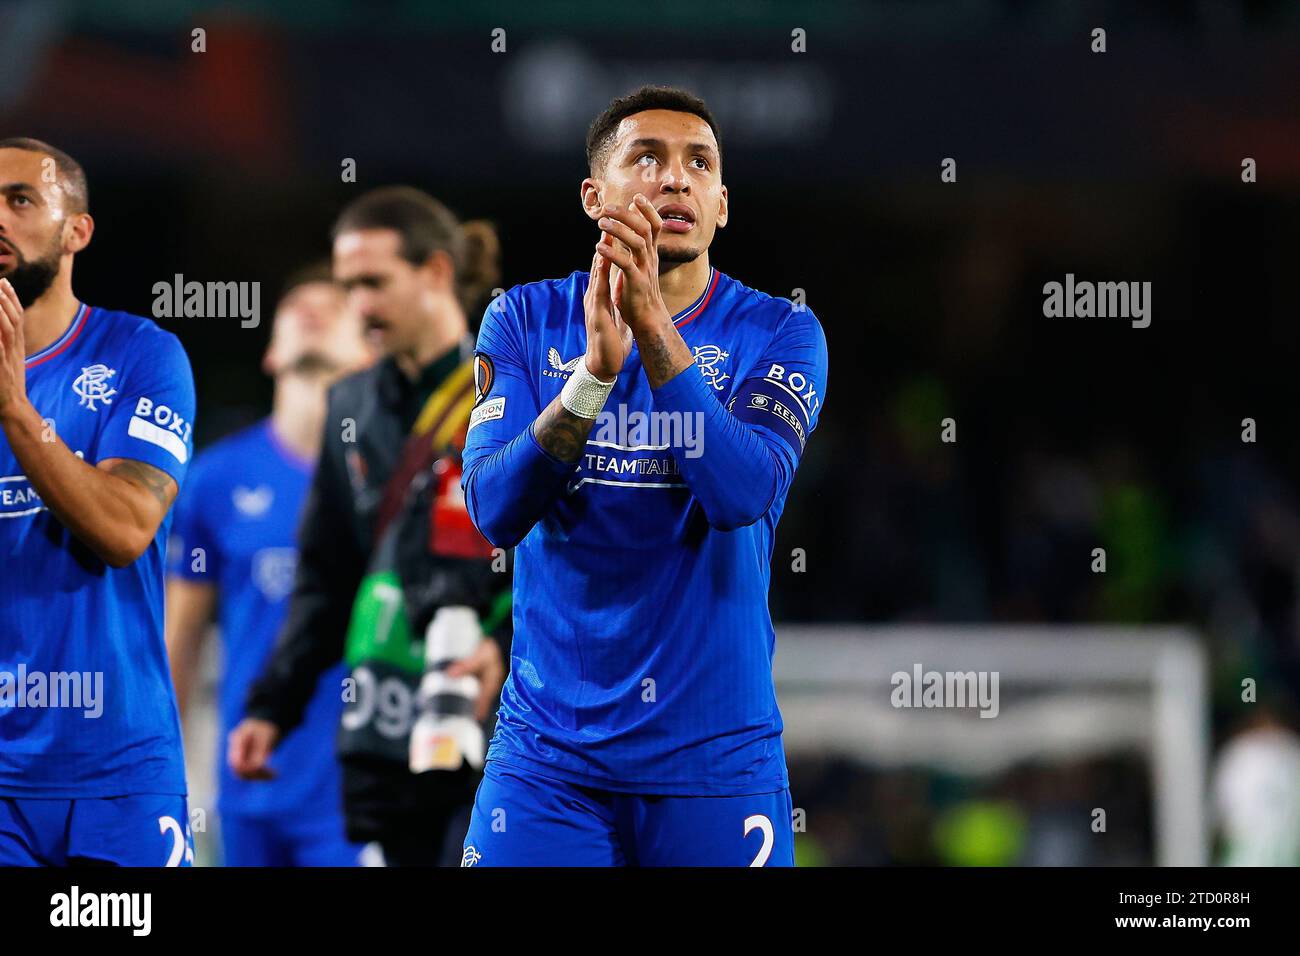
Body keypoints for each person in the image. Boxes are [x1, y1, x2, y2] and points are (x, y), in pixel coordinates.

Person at [460, 86, 829, 866]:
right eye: (648, 158)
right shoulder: (524, 321)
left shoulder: (782, 333)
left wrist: (654, 329)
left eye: (700, 163)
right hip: (548, 764)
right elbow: (494, 509)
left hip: (715, 765)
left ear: (721, 204)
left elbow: (741, 494)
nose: (676, 179)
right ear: (597, 197)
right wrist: (591, 379)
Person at [228, 187, 511, 866]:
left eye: (375, 283)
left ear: (437, 272)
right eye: (349, 285)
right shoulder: (350, 404)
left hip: (498, 722)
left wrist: (504, 646)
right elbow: (325, 572)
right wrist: (274, 706)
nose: (358, 305)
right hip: (386, 728)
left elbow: (562, 558)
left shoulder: (512, 388)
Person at [0, 137, 196, 866]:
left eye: (21, 200)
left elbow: (124, 527)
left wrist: (16, 412)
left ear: (76, 230)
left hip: (120, 778)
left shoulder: (140, 356)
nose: (0, 219)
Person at [166, 264, 372, 866]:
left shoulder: (397, 479)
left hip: (355, 798)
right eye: (297, 306)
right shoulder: (215, 478)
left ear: (370, 351)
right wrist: (163, 778)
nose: (311, 309)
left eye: (335, 306)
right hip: (245, 788)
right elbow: (180, 642)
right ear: (270, 351)